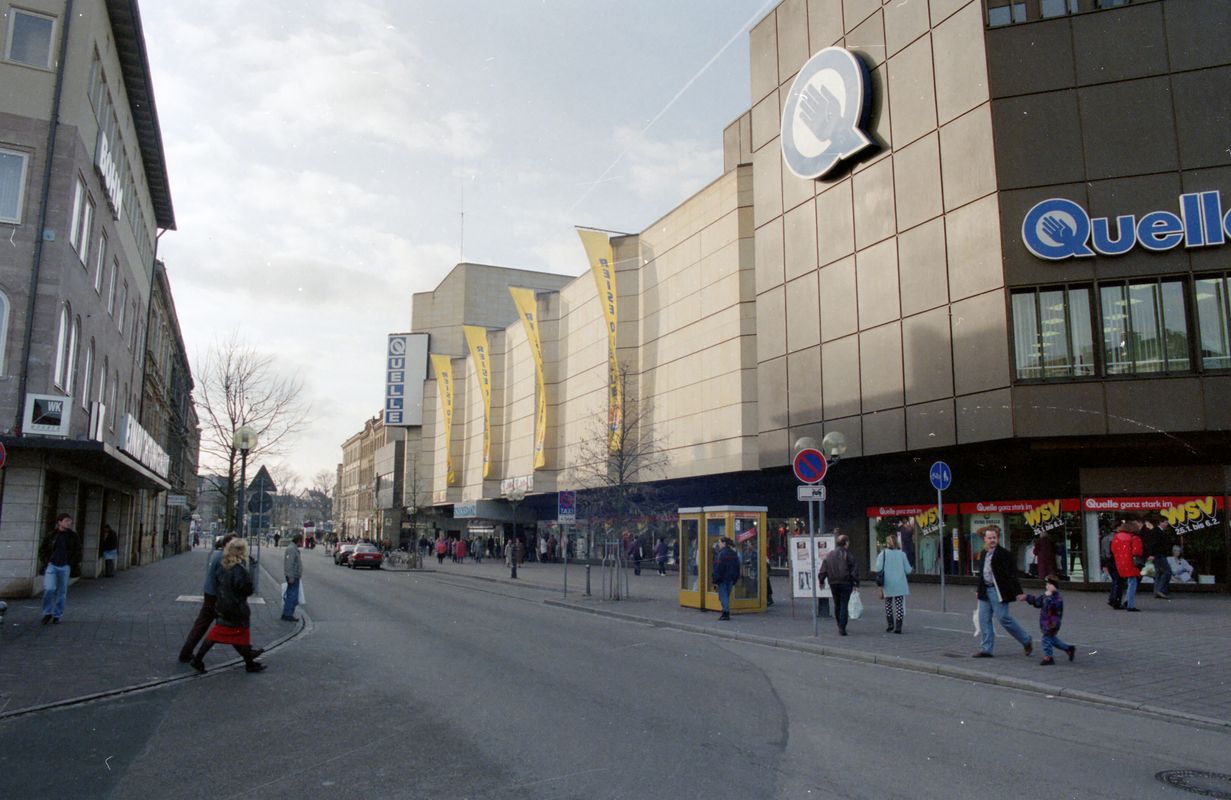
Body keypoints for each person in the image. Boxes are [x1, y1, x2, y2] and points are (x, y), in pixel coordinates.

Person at [191, 538, 265, 674]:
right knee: (242, 633)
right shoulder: (239, 570)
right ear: (241, 552)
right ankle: (249, 664)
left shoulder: (223, 566)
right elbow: (246, 589)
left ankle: (198, 659)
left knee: (218, 632)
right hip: (236, 607)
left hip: (222, 604)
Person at [972, 525, 1033, 658]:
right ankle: (986, 649)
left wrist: (1018, 592)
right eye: (989, 538)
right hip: (985, 590)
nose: (992, 540)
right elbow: (982, 574)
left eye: (994, 538)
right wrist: (978, 589)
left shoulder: (1004, 554)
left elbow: (1012, 575)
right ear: (985, 539)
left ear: (998, 538)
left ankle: (1026, 639)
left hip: (998, 591)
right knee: (984, 619)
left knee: (1003, 618)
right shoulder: (983, 553)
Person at [179, 534, 235, 663]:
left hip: (211, 594)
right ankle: (188, 654)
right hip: (215, 596)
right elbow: (223, 580)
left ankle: (186, 652)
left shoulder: (219, 555)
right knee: (226, 625)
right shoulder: (223, 558)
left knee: (206, 624)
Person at [1018, 575, 1075, 666]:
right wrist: (1027, 597)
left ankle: (1048, 657)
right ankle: (1068, 648)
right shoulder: (1045, 596)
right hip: (1045, 622)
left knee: (1046, 639)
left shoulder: (1057, 598)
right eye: (1046, 584)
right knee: (1051, 639)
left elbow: (1054, 607)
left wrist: (1048, 597)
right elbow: (1037, 602)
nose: (1047, 586)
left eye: (1049, 584)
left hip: (1052, 623)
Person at [39, 513, 81, 624]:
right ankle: (47, 612)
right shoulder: (51, 535)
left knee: (62, 592)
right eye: (66, 521)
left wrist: (70, 563)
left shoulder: (73, 536)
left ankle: (57, 615)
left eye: (70, 521)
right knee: (49, 588)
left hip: (65, 566)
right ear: (59, 522)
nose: (69, 523)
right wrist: (46, 561)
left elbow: (78, 551)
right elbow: (42, 549)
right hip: (52, 565)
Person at [817, 533, 859, 636]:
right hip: (846, 582)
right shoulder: (848, 555)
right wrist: (855, 583)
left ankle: (839, 624)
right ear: (846, 543)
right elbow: (854, 570)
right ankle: (842, 627)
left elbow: (824, 569)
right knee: (844, 603)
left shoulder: (830, 555)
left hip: (833, 582)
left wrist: (821, 580)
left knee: (837, 603)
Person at [875, 533, 913, 634]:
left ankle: (890, 625)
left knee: (888, 604)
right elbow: (908, 570)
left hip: (888, 583)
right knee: (899, 605)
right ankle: (898, 627)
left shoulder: (883, 554)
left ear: (887, 544)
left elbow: (878, 568)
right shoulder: (902, 554)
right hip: (900, 583)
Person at [1111, 523, 1144, 611]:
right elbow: (1137, 552)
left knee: (1128, 581)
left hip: (1120, 562)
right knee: (1132, 582)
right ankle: (1130, 604)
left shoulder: (1116, 537)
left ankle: (1127, 602)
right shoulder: (1135, 538)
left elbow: (1113, 549)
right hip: (1132, 563)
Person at [1141, 517, 1172, 599]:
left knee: (1159, 573)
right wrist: (1152, 554)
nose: (1167, 524)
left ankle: (1157, 591)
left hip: (1157, 555)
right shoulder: (1157, 532)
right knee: (1167, 572)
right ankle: (1161, 590)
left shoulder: (1156, 531)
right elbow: (1153, 544)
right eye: (1165, 522)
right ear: (1160, 523)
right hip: (1158, 555)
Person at [711, 537, 741, 621]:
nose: (719, 544)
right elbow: (737, 566)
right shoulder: (734, 553)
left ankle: (725, 613)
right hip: (731, 578)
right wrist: (736, 577)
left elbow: (718, 567)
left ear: (724, 543)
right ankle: (725, 611)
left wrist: (715, 578)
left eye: (719, 542)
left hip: (722, 578)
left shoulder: (721, 554)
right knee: (726, 595)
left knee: (723, 596)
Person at [282, 533, 303, 622]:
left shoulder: (294, 549)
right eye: (301, 541)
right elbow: (289, 564)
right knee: (292, 596)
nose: (302, 543)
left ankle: (288, 613)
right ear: (298, 541)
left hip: (294, 575)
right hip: (293, 576)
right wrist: (290, 576)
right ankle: (287, 614)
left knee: (292, 595)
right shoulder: (291, 549)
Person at [1100, 527, 1122, 609]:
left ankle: (1112, 598)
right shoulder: (1116, 538)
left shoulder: (1105, 538)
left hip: (1108, 561)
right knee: (1117, 581)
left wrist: (1104, 563)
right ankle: (1115, 600)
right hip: (1114, 560)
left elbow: (1103, 552)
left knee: (1114, 580)